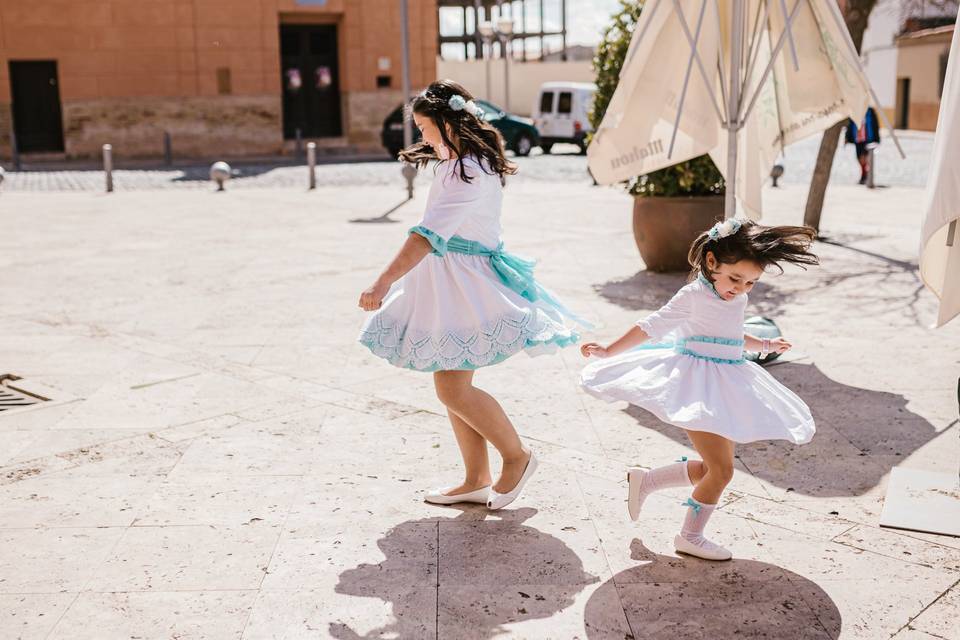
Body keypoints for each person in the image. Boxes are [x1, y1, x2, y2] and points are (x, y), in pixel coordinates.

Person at [358, 80, 585, 510]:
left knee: (451, 388)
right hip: (449, 279)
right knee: (450, 379)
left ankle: (517, 457)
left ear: (447, 123)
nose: (421, 136)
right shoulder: (456, 162)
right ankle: (475, 478)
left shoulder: (470, 171)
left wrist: (383, 281)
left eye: (424, 127)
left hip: (465, 281)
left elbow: (426, 235)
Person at [579, 218, 819, 560]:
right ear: (711, 262)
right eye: (735, 278)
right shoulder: (693, 295)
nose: (741, 288)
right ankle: (690, 536)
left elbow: (732, 336)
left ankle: (646, 482)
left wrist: (765, 342)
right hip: (695, 385)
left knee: (713, 468)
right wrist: (609, 350)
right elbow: (652, 325)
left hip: (726, 382)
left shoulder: (736, 300)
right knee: (721, 470)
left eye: (751, 282)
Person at [846, 107, 881, 185]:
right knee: (859, 158)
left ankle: (865, 175)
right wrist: (847, 137)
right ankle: (865, 174)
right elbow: (850, 125)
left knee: (865, 158)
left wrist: (876, 138)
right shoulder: (854, 111)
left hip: (868, 139)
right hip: (858, 139)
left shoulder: (870, 112)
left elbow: (875, 125)